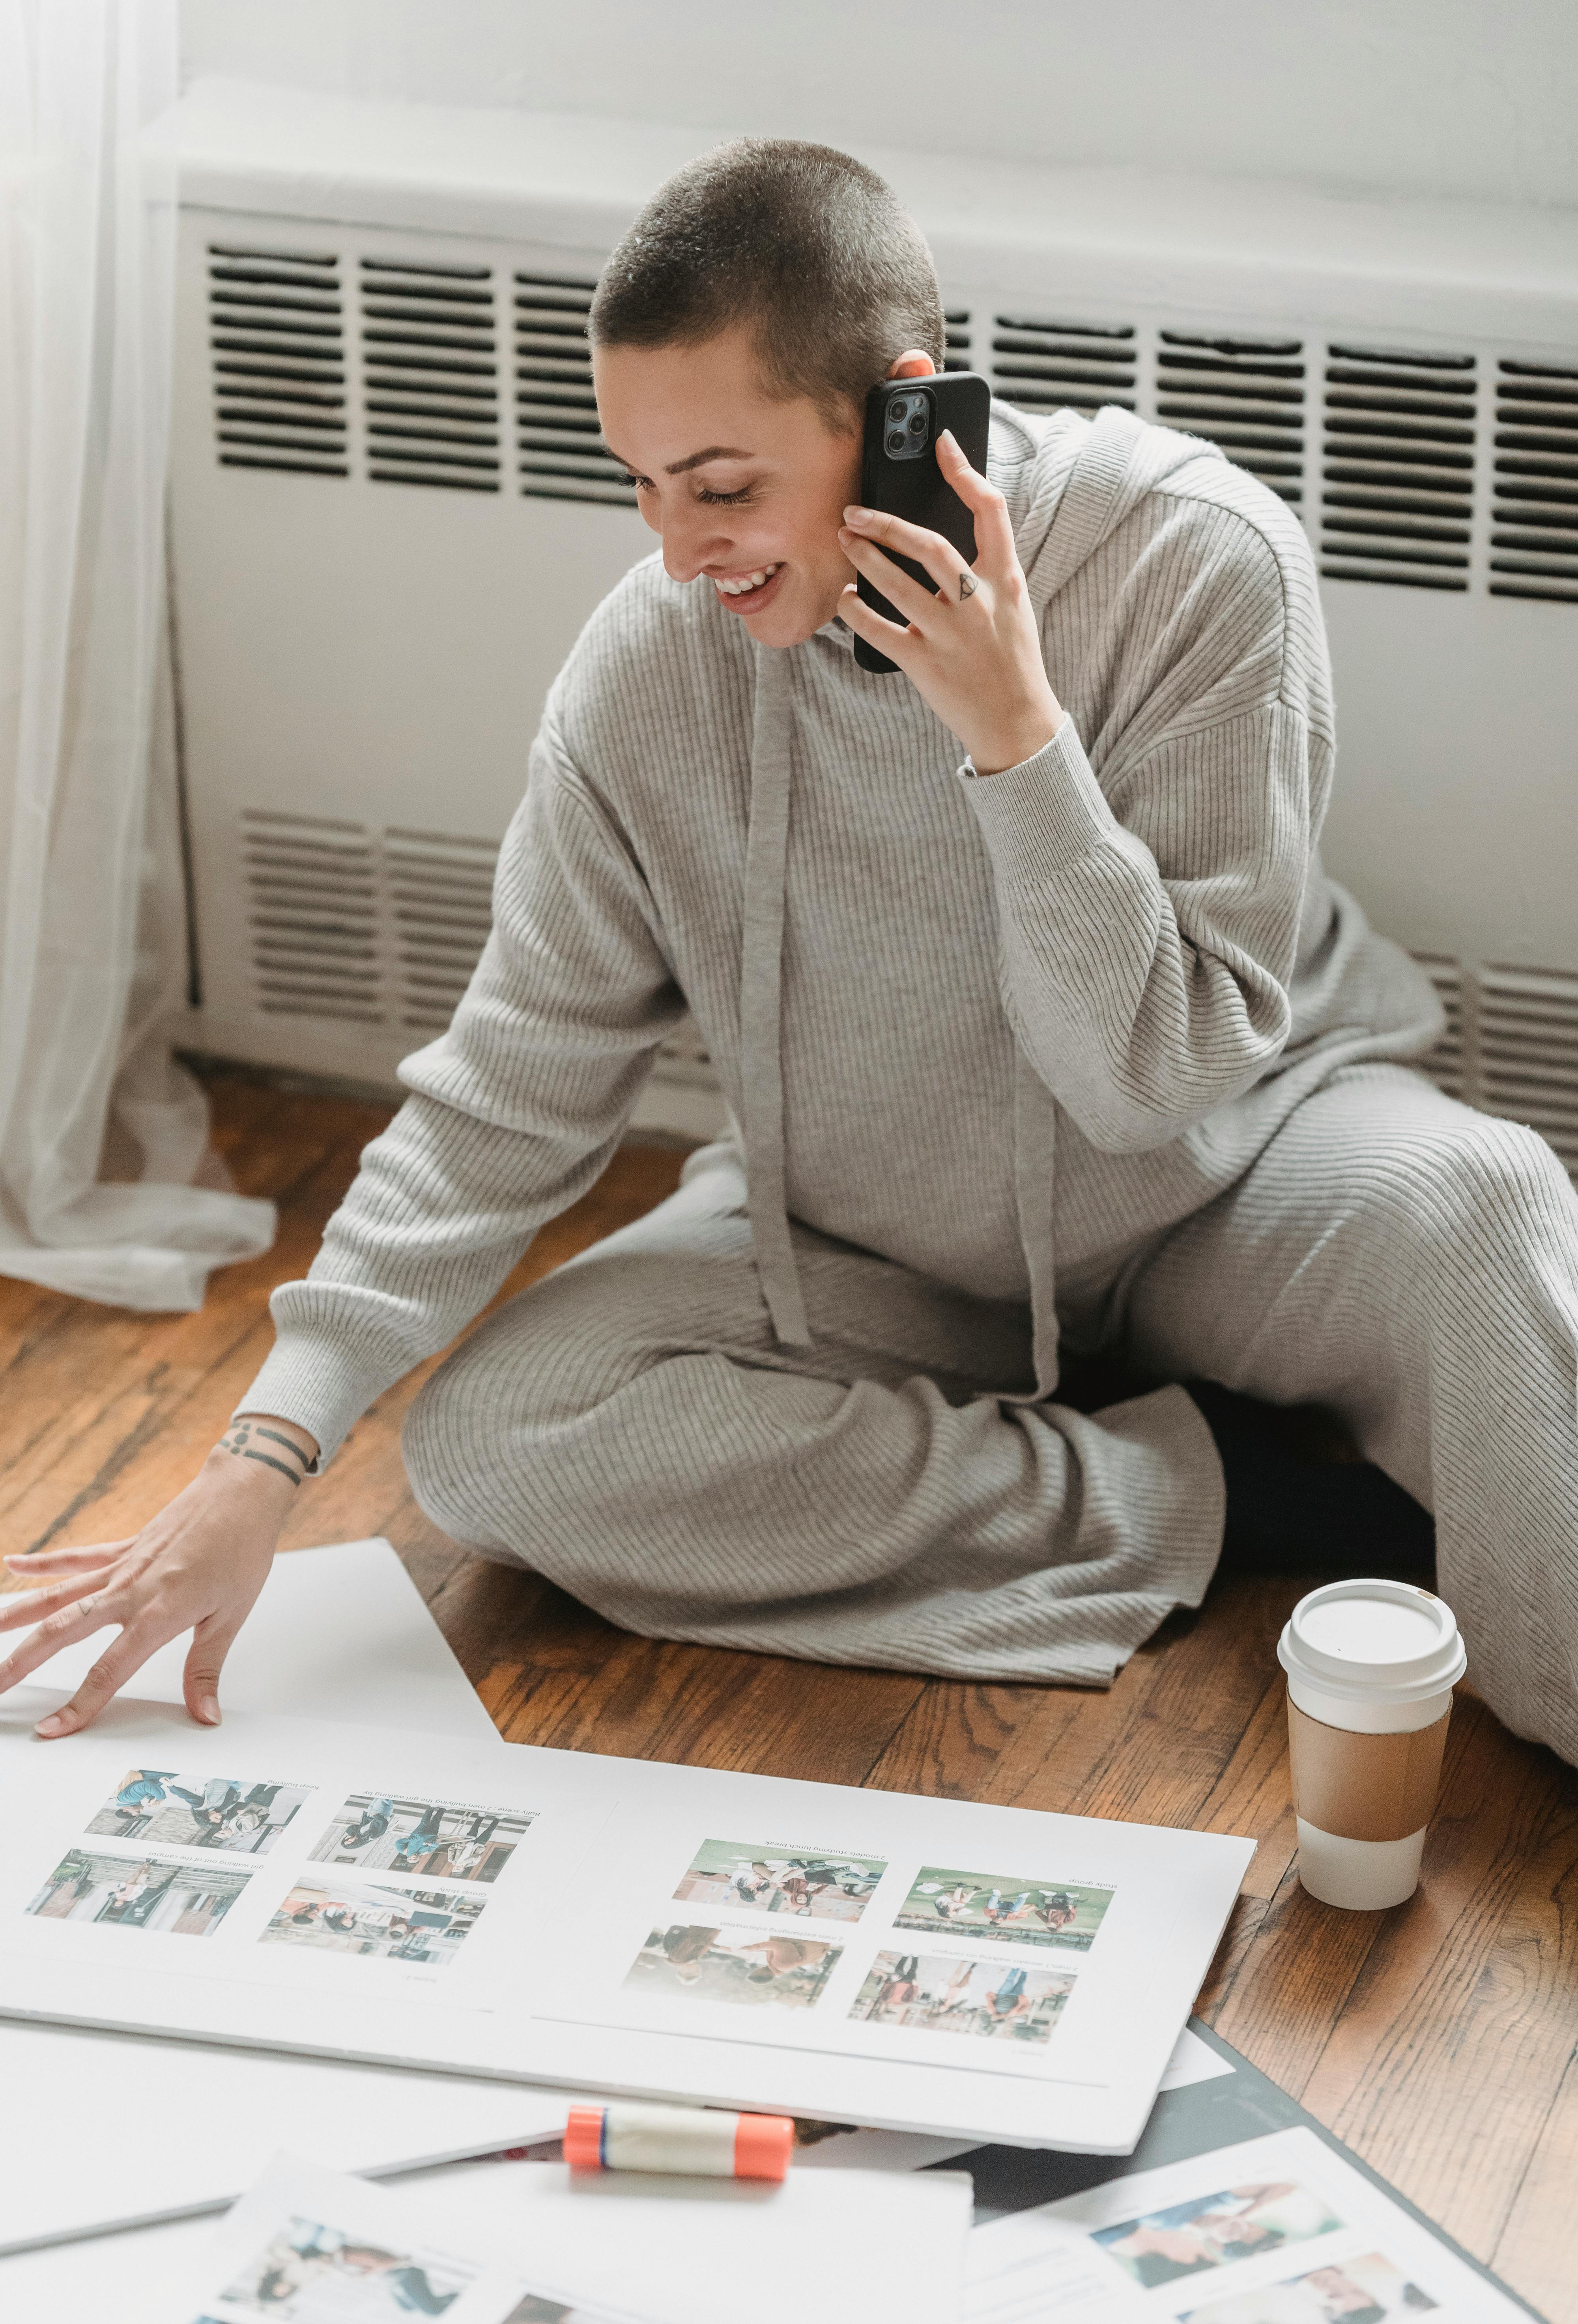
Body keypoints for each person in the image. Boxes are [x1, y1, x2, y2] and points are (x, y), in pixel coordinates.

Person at [4, 140, 1576, 1770]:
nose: (680, 555)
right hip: (878, 1237)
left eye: (724, 486)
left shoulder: (1192, 563)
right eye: (642, 484)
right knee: (496, 1444)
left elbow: (1154, 1080)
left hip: (1239, 1177)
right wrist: (260, 1458)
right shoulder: (650, 673)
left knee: (1486, 1211)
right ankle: (1235, 1492)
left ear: (900, 417)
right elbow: (508, 1093)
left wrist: (1014, 742)